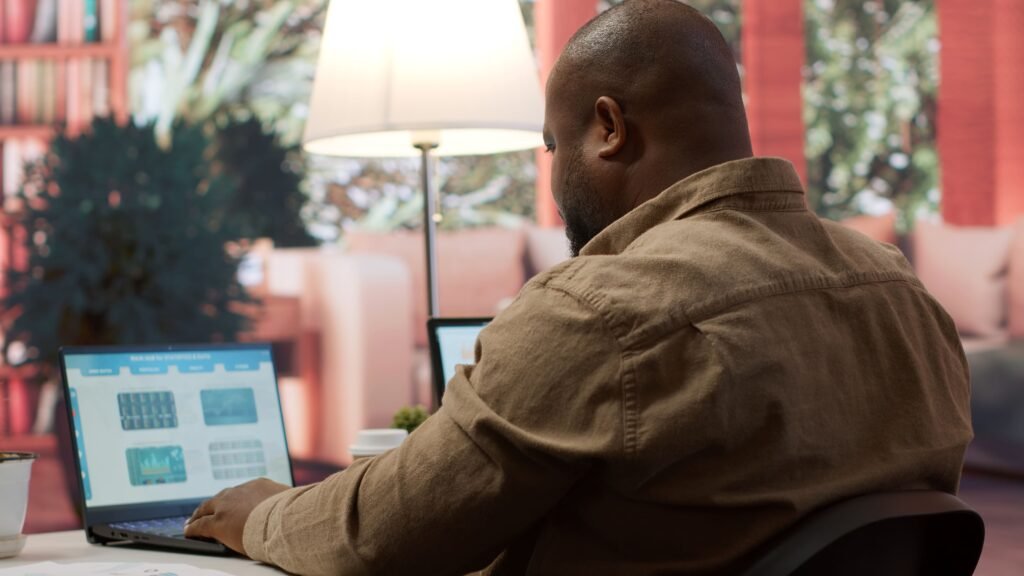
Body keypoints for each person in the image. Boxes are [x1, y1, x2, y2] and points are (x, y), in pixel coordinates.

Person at [185, 1, 972, 574]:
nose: (554, 176)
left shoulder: (601, 311)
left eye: (554, 144)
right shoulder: (903, 296)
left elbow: (384, 536)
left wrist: (264, 514)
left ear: (609, 127)